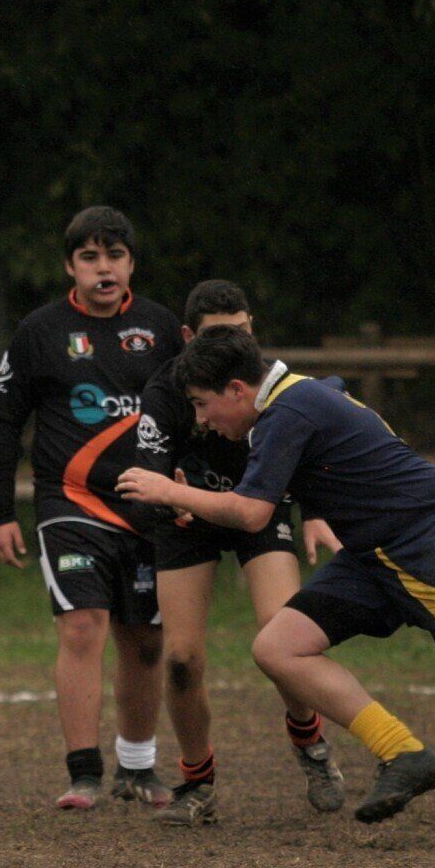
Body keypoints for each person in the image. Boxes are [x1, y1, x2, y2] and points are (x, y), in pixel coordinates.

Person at [116, 326, 435, 847]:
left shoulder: (285, 412)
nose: (202, 421)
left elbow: (252, 514)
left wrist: (164, 489)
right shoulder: (301, 394)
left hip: (430, 540)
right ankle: (403, 753)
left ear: (236, 388)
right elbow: (338, 395)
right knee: (279, 646)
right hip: (376, 552)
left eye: (204, 404)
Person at [0, 206, 181, 811]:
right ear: (71, 266)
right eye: (90, 257)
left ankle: (138, 768)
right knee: (82, 625)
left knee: (146, 641)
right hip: (69, 504)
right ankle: (83, 773)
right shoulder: (40, 331)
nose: (104, 268)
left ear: (131, 264)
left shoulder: (162, 328)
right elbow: (4, 423)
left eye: (114, 256)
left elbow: (192, 412)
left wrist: (189, 488)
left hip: (148, 507)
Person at [134, 282, 347, 825]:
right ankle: (197, 782)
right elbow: (146, 477)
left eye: (243, 334)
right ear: (188, 339)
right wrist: (168, 503)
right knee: (180, 659)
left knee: (282, 633)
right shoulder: (165, 392)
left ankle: (310, 742)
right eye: (217, 337)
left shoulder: (270, 382)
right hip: (191, 513)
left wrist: (317, 511)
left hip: (258, 507)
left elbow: (314, 445)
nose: (234, 348)